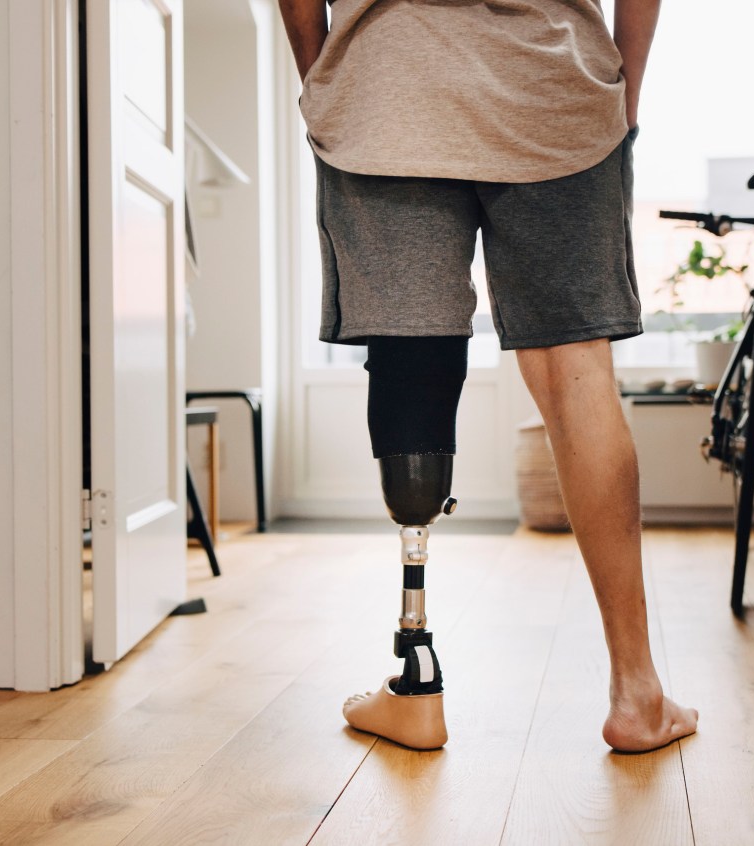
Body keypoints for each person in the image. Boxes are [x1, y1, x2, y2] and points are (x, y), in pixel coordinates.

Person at [277, 0, 696, 754]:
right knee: (578, 376)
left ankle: (416, 682)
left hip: (388, 82)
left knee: (412, 363)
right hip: (553, 86)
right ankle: (637, 692)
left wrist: (323, 71)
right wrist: (624, 91)